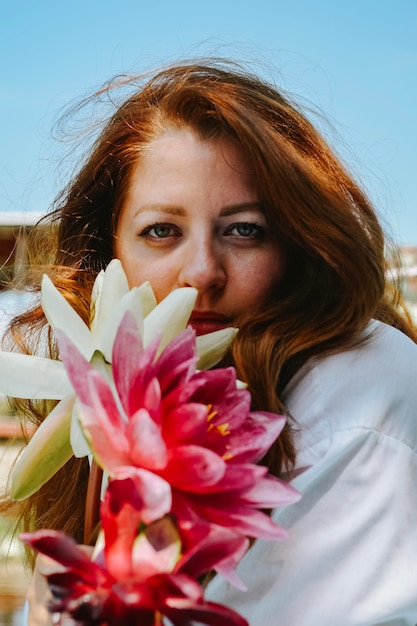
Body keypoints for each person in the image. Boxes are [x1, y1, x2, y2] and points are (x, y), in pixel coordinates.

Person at [3, 59, 417, 625]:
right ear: (109, 255)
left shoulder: (362, 398)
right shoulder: (118, 425)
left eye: (244, 230)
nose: (201, 273)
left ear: (297, 245)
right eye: (161, 231)